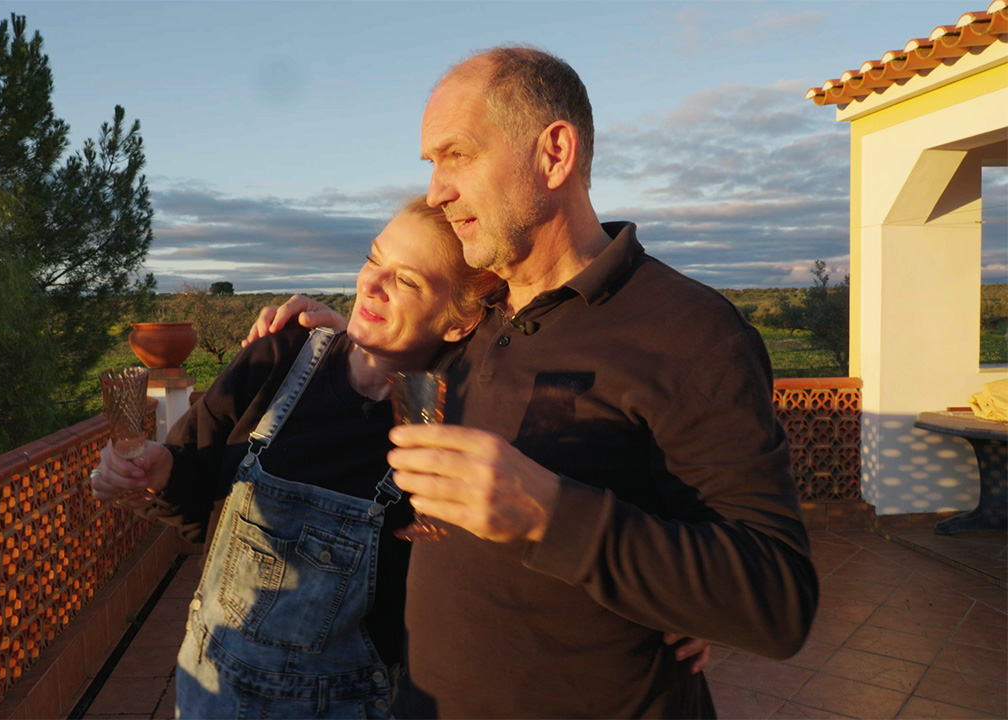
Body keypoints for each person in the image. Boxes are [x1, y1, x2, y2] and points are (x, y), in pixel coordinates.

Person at [248, 46, 819, 718]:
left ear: (554, 154)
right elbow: (396, 353)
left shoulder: (692, 333)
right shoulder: (472, 321)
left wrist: (550, 513)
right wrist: (346, 330)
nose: (437, 190)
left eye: (457, 155)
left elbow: (777, 599)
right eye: (432, 164)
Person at [93, 197, 712, 719]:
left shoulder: (458, 420)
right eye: (373, 258)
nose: (371, 284)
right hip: (211, 693)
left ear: (459, 322)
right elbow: (197, 503)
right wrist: (156, 473)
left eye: (407, 280)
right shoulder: (275, 360)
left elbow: (547, 526)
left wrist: (659, 601)